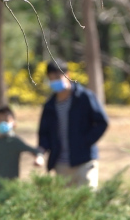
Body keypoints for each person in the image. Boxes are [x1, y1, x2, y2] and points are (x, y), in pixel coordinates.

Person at [38, 59, 109, 189]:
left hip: (85, 161)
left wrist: (86, 141)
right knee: (67, 206)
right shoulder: (49, 106)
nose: (56, 81)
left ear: (67, 75)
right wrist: (41, 152)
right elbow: (44, 133)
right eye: (52, 79)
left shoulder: (84, 97)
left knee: (87, 200)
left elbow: (102, 122)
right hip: (61, 164)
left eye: (58, 77)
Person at [0, 106, 44, 195]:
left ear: (14, 123)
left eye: (6, 121)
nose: (3, 123)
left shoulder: (15, 141)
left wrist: (39, 158)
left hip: (11, 186)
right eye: (0, 120)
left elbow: (36, 150)